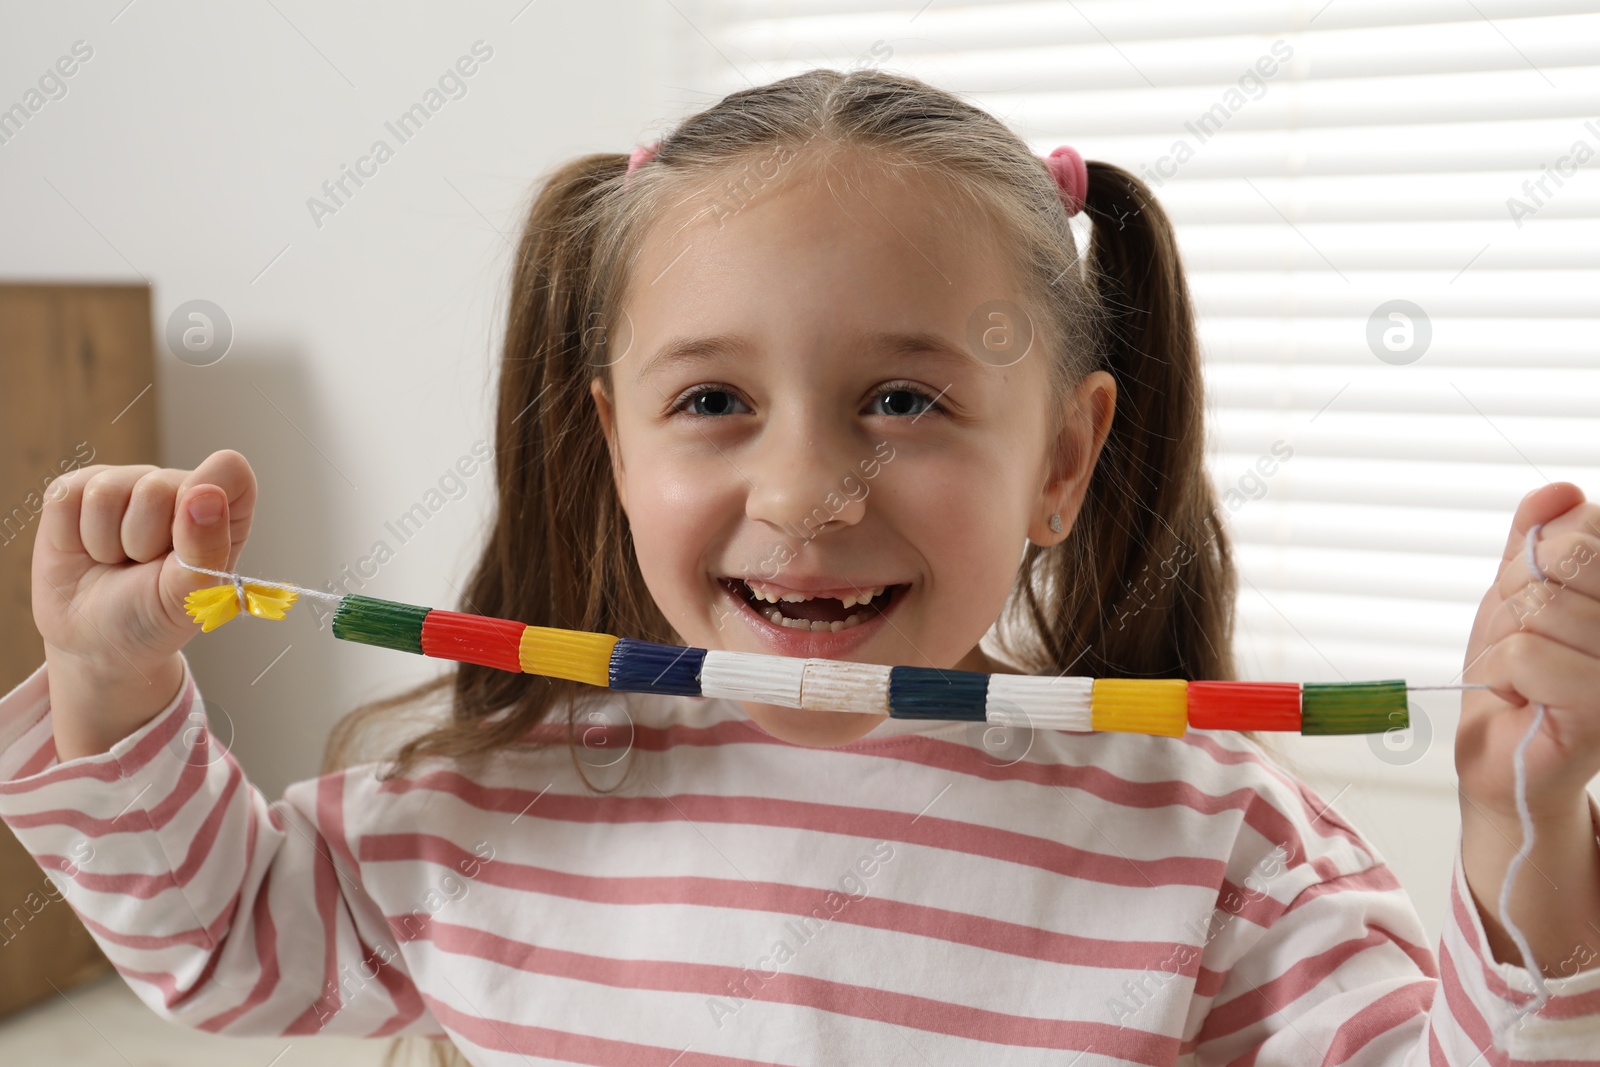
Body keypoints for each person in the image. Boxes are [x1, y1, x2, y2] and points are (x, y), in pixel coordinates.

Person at [3, 67, 1599, 1066]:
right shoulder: (486, 800)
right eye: (712, 403)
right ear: (613, 442)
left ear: (1060, 458)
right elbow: (224, 956)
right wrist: (111, 680)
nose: (809, 490)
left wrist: (1521, 842)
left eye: (905, 401)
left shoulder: (1217, 847)